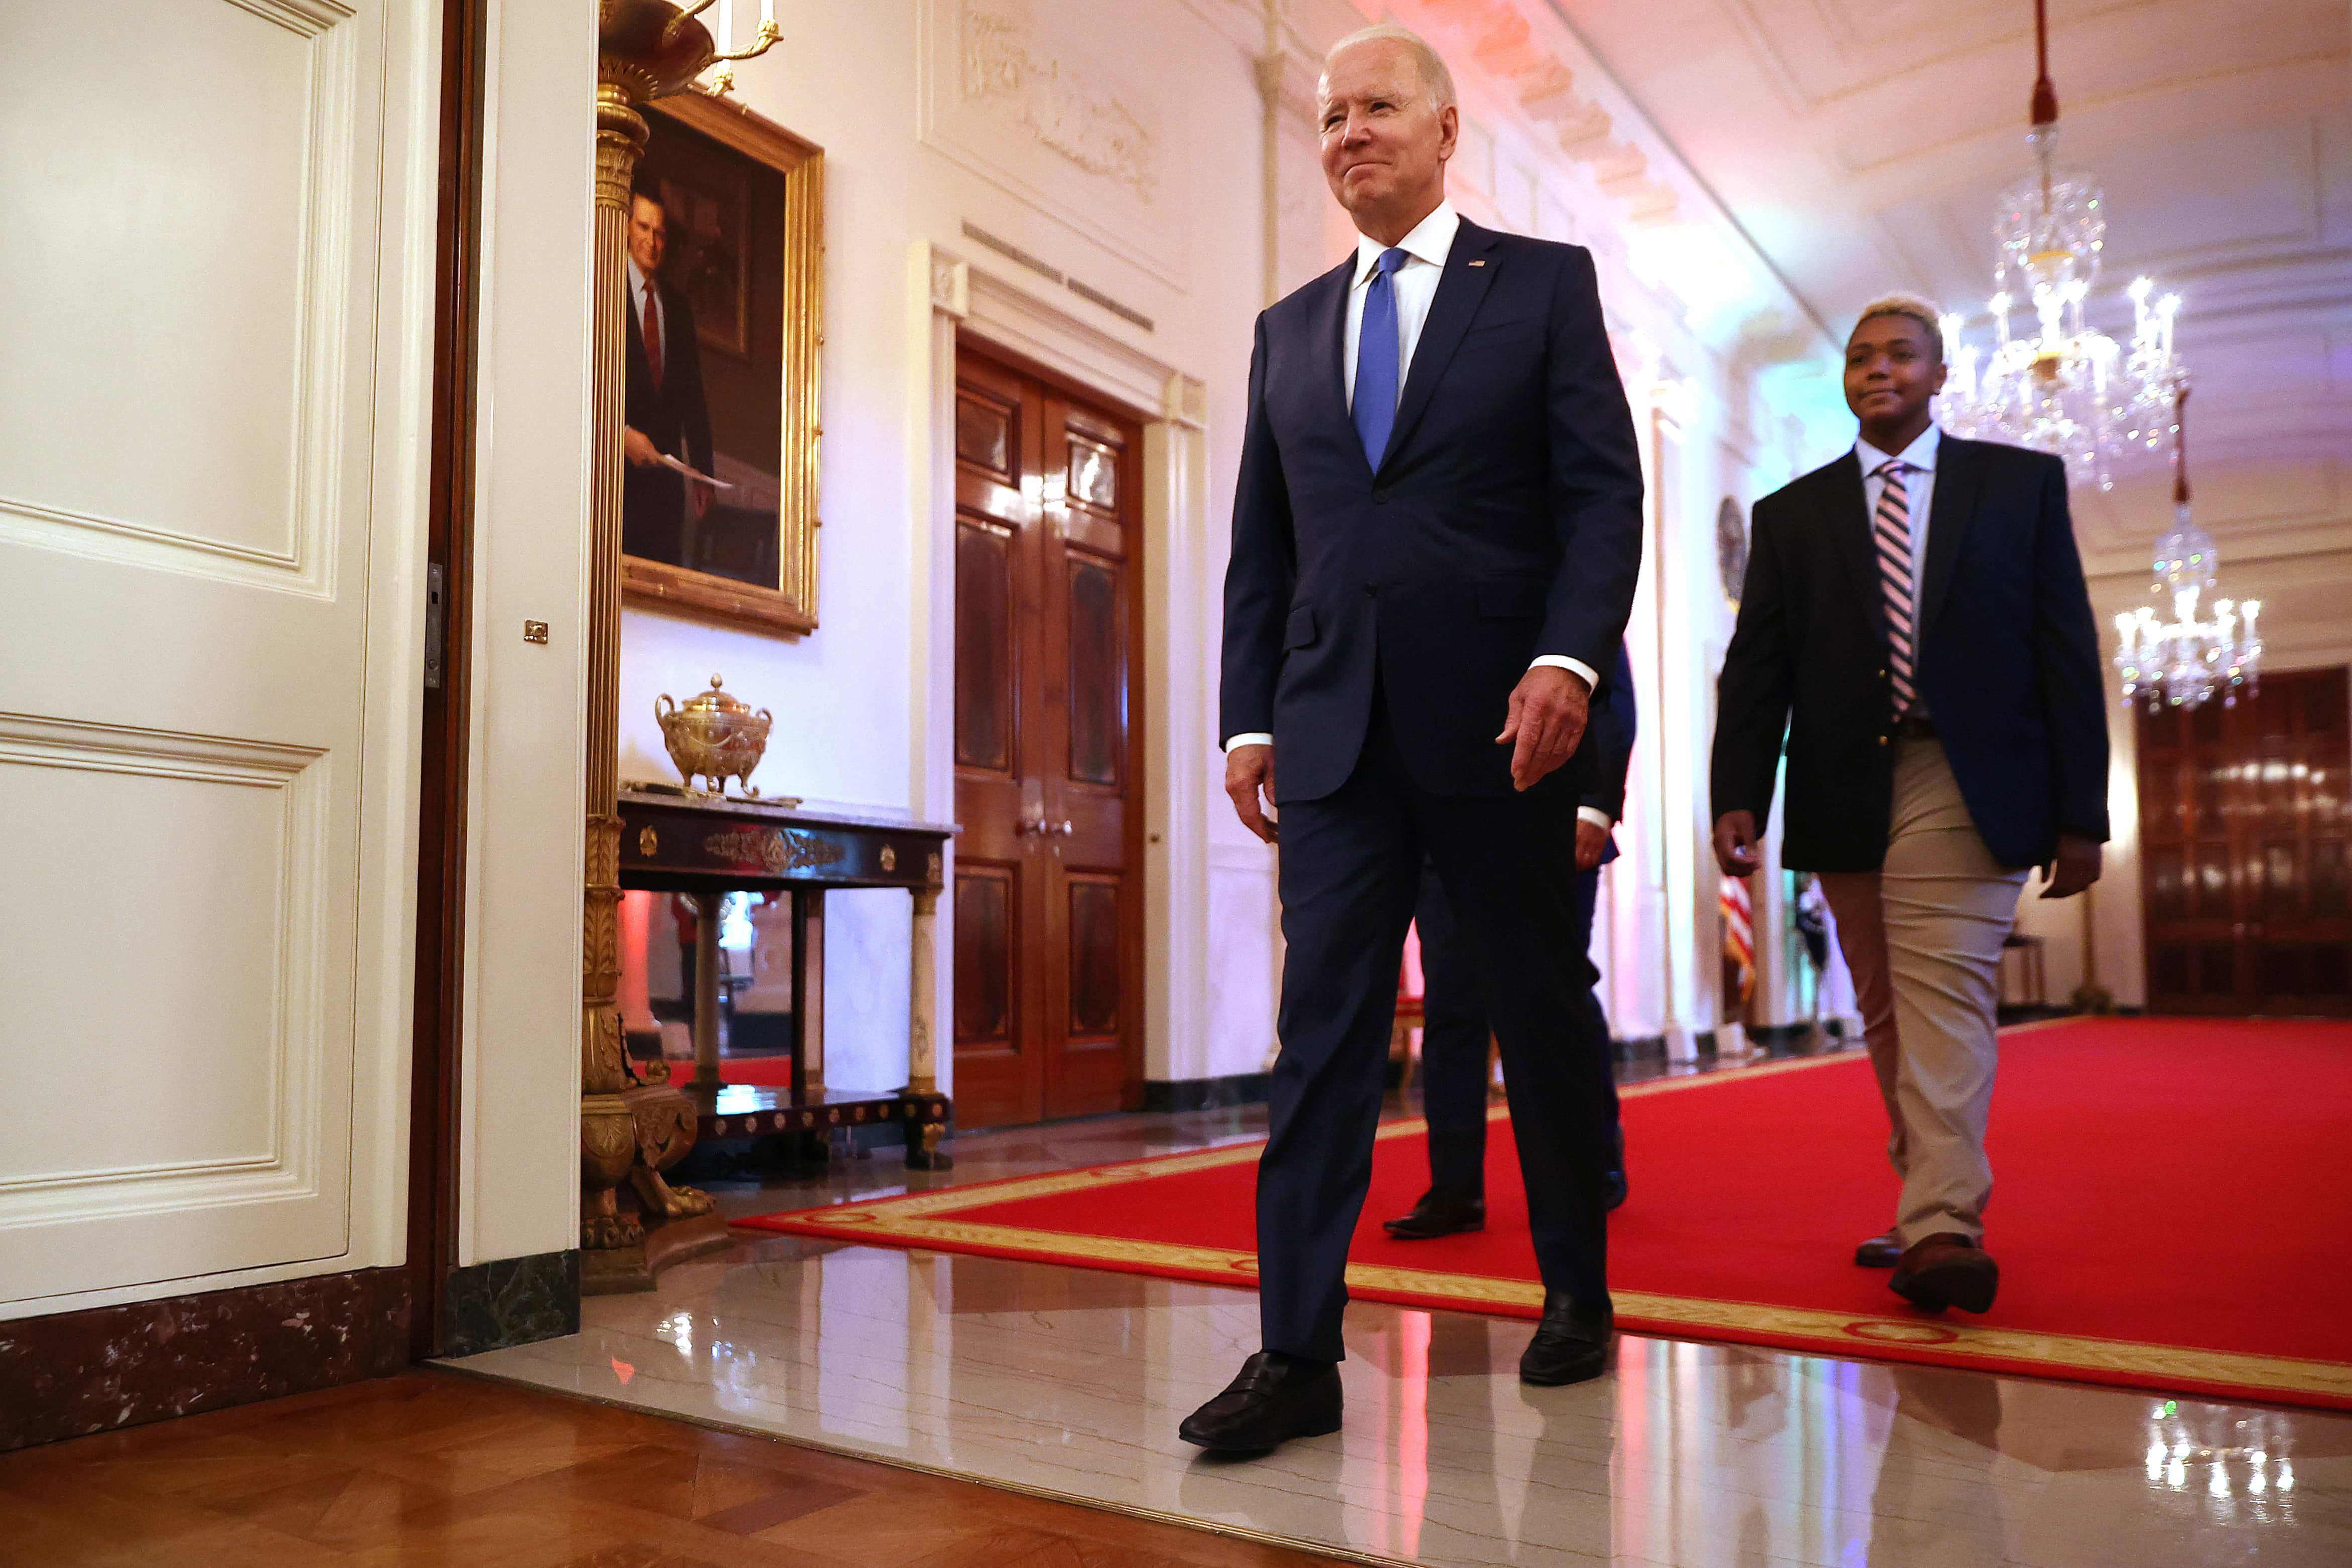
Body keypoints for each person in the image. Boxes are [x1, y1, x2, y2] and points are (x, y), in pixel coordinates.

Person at [1183, 24, 1643, 1455]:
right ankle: (1295, 1351)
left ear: (1448, 133)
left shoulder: (1544, 289)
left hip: (1503, 727)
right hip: (1329, 743)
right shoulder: (1287, 330)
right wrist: (1246, 717)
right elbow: (1262, 548)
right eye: (1327, 118)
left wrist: (1567, 657)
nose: (1346, 134)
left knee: (1533, 1014)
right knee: (1317, 1039)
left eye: (1375, 106)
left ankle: (1574, 1286)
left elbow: (1599, 496)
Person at [1709, 295, 2107, 1316]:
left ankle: (1943, 1223)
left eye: (1899, 355)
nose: (1877, 368)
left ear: (1939, 375)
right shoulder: (1791, 515)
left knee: (1939, 993)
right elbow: (1758, 669)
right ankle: (1922, 1189)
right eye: (1859, 357)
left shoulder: (2017, 486)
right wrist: (1737, 792)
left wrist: (2081, 810)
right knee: (1887, 1005)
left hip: (1970, 775)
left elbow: (2064, 648)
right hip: (1844, 780)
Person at [1385, 640, 1637, 1241]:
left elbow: (1611, 700)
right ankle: (1454, 1187)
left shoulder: (1551, 572)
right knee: (1451, 1002)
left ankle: (1593, 1161)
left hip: (1553, 819)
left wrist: (1597, 806)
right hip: (1443, 822)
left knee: (1559, 995)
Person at [622, 188, 716, 567]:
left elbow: (693, 396)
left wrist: (703, 474)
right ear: (628, 228)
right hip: (615, 479)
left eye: (660, 233)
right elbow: (581, 381)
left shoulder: (677, 307)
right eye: (644, 227)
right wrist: (617, 435)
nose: (652, 241)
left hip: (666, 486)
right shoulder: (601, 285)